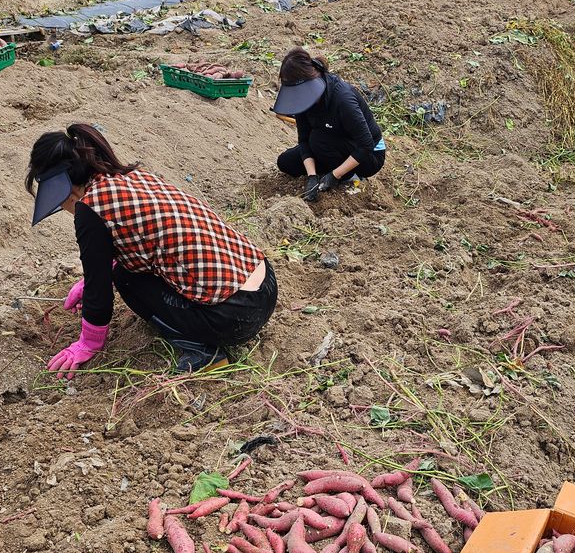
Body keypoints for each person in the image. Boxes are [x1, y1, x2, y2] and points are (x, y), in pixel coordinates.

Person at [26, 123, 277, 377]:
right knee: (126, 269)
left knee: (125, 278)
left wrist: (88, 343)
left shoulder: (90, 209)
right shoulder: (131, 177)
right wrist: (89, 281)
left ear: (64, 191)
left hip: (234, 317)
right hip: (264, 285)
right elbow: (140, 243)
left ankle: (202, 352)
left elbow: (99, 295)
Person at [273, 47, 386, 202]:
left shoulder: (342, 98)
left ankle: (349, 176)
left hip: (369, 155)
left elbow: (366, 145)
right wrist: (312, 176)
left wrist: (334, 175)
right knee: (286, 162)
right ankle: (327, 171)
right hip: (331, 145)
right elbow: (304, 140)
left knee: (318, 139)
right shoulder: (302, 102)